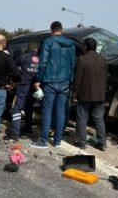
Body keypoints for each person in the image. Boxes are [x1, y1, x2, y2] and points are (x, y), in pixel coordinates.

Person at [30, 21, 75, 149]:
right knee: (61, 111)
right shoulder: (71, 44)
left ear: (51, 30)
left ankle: (44, 140)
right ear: (62, 29)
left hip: (50, 81)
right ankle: (57, 141)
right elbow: (73, 63)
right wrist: (70, 80)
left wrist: (38, 79)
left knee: (47, 111)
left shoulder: (48, 42)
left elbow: (43, 62)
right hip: (65, 81)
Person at [72, 38, 108, 151]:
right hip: (100, 95)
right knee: (99, 118)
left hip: (85, 94)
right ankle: (102, 143)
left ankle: (82, 142)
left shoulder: (82, 59)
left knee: (82, 118)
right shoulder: (103, 59)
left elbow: (78, 79)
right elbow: (105, 78)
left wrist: (74, 95)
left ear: (86, 47)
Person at [6, 41, 39, 141]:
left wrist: (14, 82)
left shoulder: (23, 57)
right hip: (34, 87)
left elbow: (13, 68)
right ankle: (28, 128)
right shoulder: (41, 58)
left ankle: (15, 132)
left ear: (28, 48)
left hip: (23, 86)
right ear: (37, 49)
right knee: (29, 108)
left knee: (17, 109)